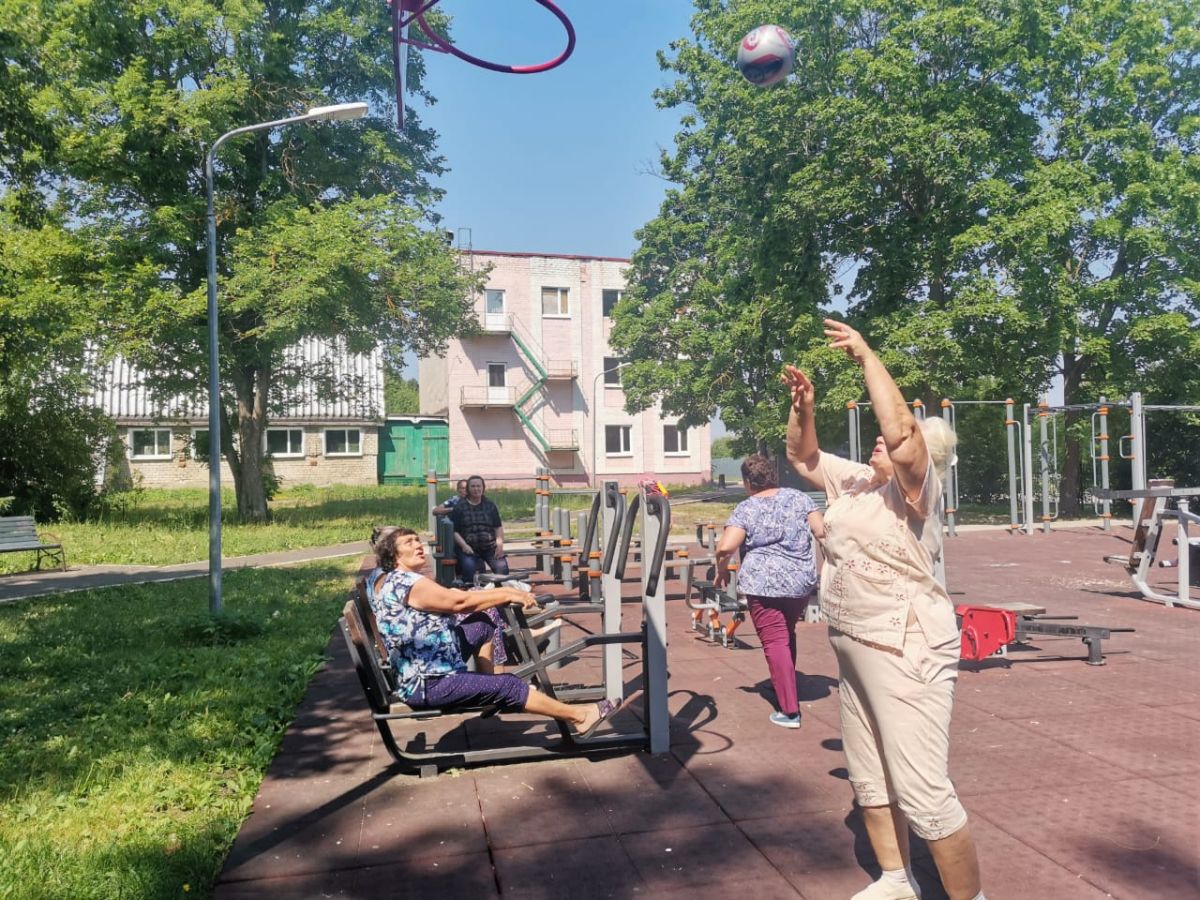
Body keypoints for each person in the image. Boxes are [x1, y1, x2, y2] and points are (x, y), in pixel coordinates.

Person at [783, 319, 983, 900]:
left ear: (925, 455)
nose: (879, 441)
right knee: (869, 776)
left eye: (894, 441)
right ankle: (898, 879)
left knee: (923, 789)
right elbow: (803, 456)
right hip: (853, 644)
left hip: (907, 647)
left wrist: (868, 356)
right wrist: (804, 405)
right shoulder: (857, 485)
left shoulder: (916, 492)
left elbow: (901, 438)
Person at [370, 527, 615, 733]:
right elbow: (459, 603)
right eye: (408, 542)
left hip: (428, 665)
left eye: (417, 539)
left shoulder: (402, 579)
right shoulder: (407, 583)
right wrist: (508, 592)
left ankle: (488, 690)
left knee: (482, 623)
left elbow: (451, 600)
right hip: (428, 682)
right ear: (394, 554)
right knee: (510, 685)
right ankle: (579, 717)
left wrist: (492, 595)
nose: (418, 545)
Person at [712, 454, 824, 729]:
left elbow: (726, 547)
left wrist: (722, 568)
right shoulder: (799, 498)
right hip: (799, 582)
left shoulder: (746, 508)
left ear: (749, 482)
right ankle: (785, 685)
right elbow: (821, 531)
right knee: (786, 633)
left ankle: (789, 711)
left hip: (763, 583)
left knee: (774, 640)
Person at [449, 475, 509, 584]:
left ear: (483, 488)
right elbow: (455, 531)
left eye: (478, 486)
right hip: (468, 548)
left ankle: (499, 594)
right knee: (470, 569)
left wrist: (499, 545)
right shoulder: (460, 507)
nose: (476, 489)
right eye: (473, 486)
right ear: (468, 489)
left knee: (502, 569)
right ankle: (470, 592)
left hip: (489, 547)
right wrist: (464, 546)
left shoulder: (490, 505)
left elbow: (498, 526)